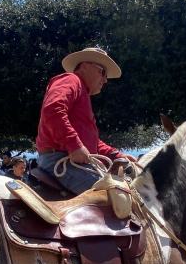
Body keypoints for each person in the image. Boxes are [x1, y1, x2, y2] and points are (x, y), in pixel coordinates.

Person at [36, 46, 129, 194]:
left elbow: (93, 142)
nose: (105, 80)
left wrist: (116, 155)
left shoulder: (81, 91)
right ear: (85, 66)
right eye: (102, 72)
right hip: (61, 161)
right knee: (115, 196)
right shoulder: (71, 80)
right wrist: (74, 145)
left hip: (69, 161)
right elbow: (53, 109)